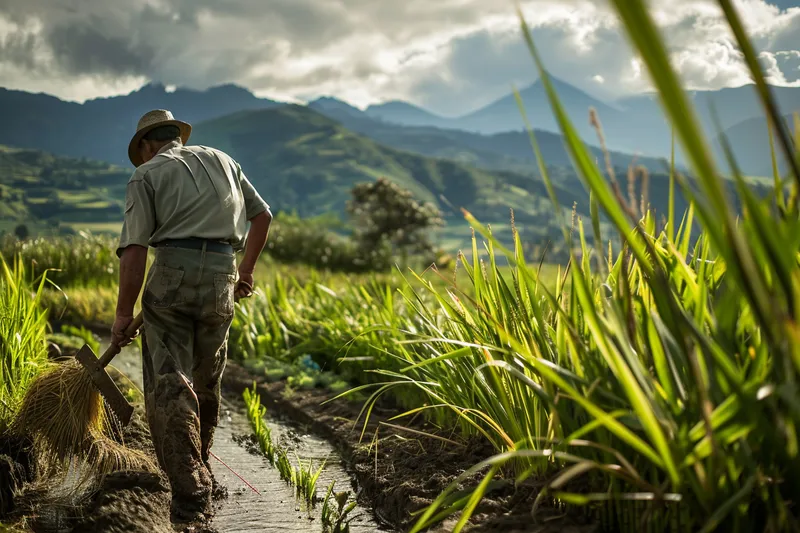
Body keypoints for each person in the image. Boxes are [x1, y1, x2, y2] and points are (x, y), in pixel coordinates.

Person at [111, 109, 272, 523]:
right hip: (223, 274)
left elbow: (134, 251)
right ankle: (202, 465)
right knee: (206, 377)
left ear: (147, 145)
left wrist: (122, 315)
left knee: (170, 379)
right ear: (176, 136)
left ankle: (188, 492)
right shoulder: (225, 161)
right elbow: (262, 215)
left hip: (172, 274)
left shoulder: (146, 175)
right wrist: (246, 271)